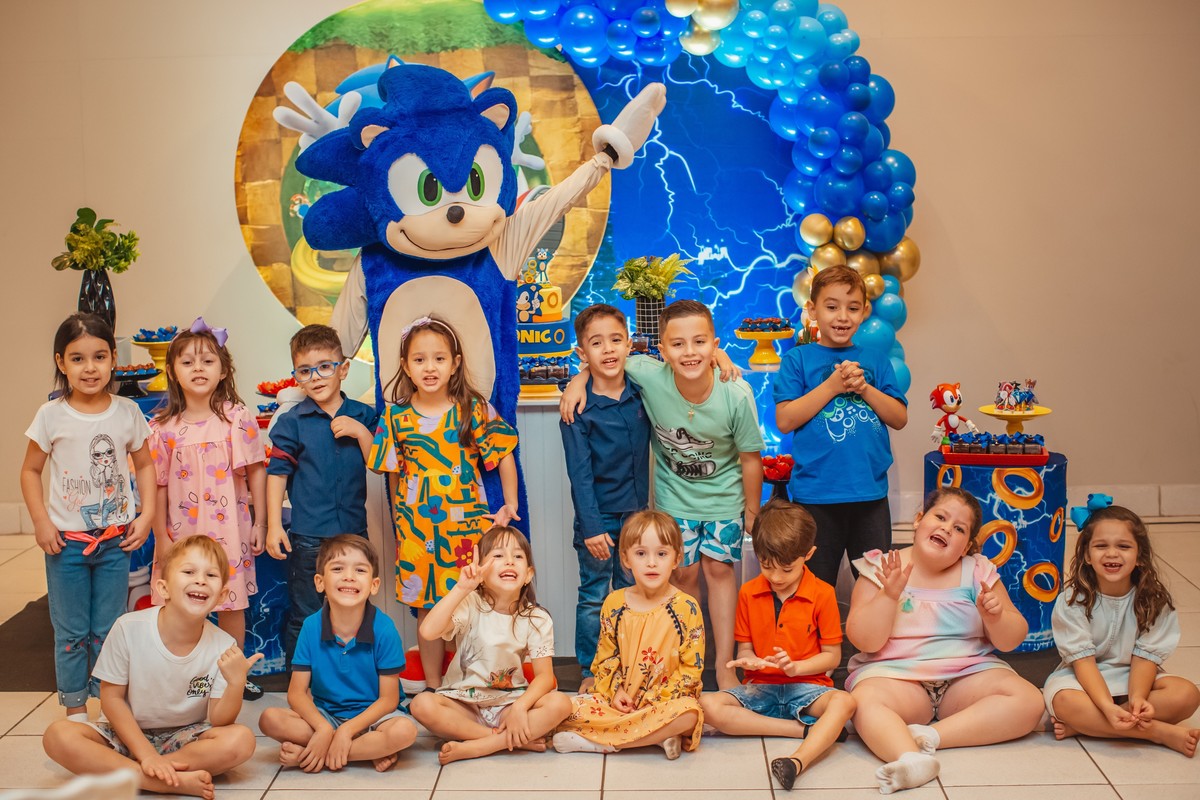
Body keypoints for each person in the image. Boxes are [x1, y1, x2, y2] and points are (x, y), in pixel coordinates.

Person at [562, 300, 762, 689]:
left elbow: (751, 458)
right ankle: (675, 667)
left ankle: (723, 666)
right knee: (678, 576)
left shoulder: (733, 392)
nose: (689, 352)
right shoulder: (645, 375)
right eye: (678, 344)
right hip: (670, 502)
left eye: (700, 343)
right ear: (662, 350)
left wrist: (751, 512)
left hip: (720, 502)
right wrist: (577, 379)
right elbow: (606, 360)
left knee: (719, 573)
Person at [845, 487, 1043, 794]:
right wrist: (889, 595)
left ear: (966, 547)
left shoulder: (977, 571)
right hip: (896, 676)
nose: (947, 528)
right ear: (918, 520)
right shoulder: (880, 567)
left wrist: (995, 617)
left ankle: (930, 737)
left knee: (1028, 700)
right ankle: (909, 759)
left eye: (959, 529)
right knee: (863, 702)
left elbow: (1011, 639)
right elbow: (864, 640)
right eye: (940, 517)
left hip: (966, 676)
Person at [42, 536, 261, 800]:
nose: (201, 580)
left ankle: (138, 775)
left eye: (211, 575)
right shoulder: (128, 628)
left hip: (185, 737)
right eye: (189, 572)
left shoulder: (224, 645)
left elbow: (219, 720)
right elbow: (111, 699)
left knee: (241, 740)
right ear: (163, 588)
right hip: (125, 733)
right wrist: (146, 754)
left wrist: (236, 683)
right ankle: (164, 781)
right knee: (58, 735)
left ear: (222, 596)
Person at [368, 316, 520, 690]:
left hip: (467, 530)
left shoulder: (472, 408)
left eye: (439, 358)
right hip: (417, 533)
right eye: (419, 359)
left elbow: (502, 454)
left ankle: (470, 684)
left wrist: (509, 503)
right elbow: (392, 473)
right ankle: (435, 687)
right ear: (406, 366)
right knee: (428, 609)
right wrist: (400, 522)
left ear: (455, 363)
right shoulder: (395, 416)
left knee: (470, 605)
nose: (430, 367)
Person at [20, 313, 156, 719]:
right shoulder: (51, 415)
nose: (90, 368)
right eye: (77, 359)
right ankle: (76, 711)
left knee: (110, 628)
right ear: (61, 363)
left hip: (115, 542)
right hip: (66, 546)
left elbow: (145, 465)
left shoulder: (127, 412)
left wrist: (147, 514)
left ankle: (109, 706)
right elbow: (30, 471)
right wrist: (41, 522)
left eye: (99, 356)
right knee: (72, 632)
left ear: (114, 357)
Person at [700, 498, 855, 790]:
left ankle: (797, 761)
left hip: (808, 688)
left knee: (845, 702)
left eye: (786, 569)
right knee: (706, 705)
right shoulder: (748, 593)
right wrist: (750, 660)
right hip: (760, 689)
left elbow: (832, 657)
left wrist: (796, 668)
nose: (775, 577)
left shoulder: (823, 594)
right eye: (766, 566)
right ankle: (802, 730)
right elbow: (745, 649)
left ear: (808, 554)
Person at [150, 318, 267, 699]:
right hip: (182, 533)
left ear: (224, 370)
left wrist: (261, 523)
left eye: (207, 361)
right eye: (187, 362)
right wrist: (160, 537)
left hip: (229, 530)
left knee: (230, 602)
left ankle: (234, 674)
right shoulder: (163, 428)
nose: (198, 369)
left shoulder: (237, 418)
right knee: (181, 602)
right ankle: (183, 675)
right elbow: (158, 486)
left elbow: (256, 471)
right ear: (172, 371)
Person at [773, 265, 908, 589]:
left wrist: (864, 388)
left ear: (865, 311)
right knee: (815, 587)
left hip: (869, 496)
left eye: (852, 307)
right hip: (815, 497)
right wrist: (832, 386)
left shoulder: (877, 360)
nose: (842, 317)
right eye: (832, 307)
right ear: (812, 310)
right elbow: (785, 420)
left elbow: (899, 418)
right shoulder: (798, 359)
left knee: (874, 584)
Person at [1044, 499, 1200, 756]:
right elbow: (1083, 663)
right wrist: (1107, 707)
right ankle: (1156, 732)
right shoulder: (1072, 601)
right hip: (1082, 680)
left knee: (1187, 695)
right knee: (1065, 702)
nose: (1112, 553)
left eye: (1124, 546)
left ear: (1140, 556)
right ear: (1087, 555)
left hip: (1134, 678)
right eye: (1101, 546)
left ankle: (1089, 727)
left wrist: (1138, 699)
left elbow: (1144, 659)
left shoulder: (1154, 601)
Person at [264, 324, 379, 666]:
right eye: (305, 371)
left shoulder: (363, 415)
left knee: (356, 608)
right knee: (307, 613)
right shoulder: (292, 422)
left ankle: (351, 674)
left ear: (343, 369)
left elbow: (378, 465)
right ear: (296, 377)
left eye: (325, 366)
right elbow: (277, 475)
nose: (315, 377)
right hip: (309, 537)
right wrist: (274, 525)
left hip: (354, 533)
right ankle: (301, 682)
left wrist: (361, 433)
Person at [410, 525, 571, 764]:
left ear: (528, 574)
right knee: (421, 704)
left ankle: (479, 747)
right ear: (481, 573)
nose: (509, 561)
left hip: (509, 704)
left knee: (561, 703)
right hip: (463, 704)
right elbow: (428, 631)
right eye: (498, 555)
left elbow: (545, 677)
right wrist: (461, 588)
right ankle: (507, 740)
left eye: (517, 556)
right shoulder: (469, 603)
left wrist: (520, 708)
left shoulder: (536, 618)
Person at [552, 511, 705, 760]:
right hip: (619, 703)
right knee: (567, 710)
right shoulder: (614, 603)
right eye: (641, 553)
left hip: (664, 703)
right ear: (626, 558)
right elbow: (604, 659)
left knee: (689, 714)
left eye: (662, 554)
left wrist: (654, 700)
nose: (651, 563)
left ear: (677, 559)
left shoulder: (687, 607)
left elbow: (691, 671)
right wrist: (616, 692)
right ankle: (657, 736)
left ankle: (605, 743)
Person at [259, 535, 418, 772]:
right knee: (270, 719)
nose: (349, 576)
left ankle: (315, 755)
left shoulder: (384, 629)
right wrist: (323, 728)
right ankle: (363, 750)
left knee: (404, 732)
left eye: (360, 570)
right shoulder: (311, 627)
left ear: (374, 585)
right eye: (337, 569)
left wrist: (347, 730)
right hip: (326, 715)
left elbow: (388, 700)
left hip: (374, 718)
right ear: (319, 582)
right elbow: (296, 694)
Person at [559, 303, 649, 694]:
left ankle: (629, 666)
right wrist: (592, 527)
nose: (608, 349)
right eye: (596, 343)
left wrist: (720, 356)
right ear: (583, 353)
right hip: (598, 519)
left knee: (632, 594)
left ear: (629, 344)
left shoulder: (642, 392)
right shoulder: (577, 408)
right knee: (595, 596)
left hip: (637, 517)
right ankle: (591, 670)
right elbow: (579, 475)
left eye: (615, 340)